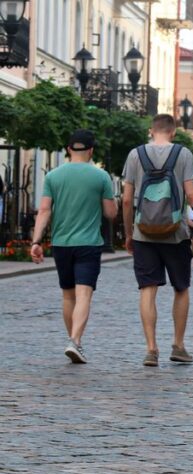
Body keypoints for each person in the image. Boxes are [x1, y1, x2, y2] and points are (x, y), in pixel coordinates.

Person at [121, 114, 193, 367]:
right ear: (174, 132)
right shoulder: (183, 154)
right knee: (181, 288)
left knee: (147, 289)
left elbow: (125, 199)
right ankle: (178, 345)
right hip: (175, 233)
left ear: (150, 131)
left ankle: (151, 349)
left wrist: (128, 233)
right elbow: (191, 195)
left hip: (143, 232)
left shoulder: (135, 155)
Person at [29, 129, 117, 363]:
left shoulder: (53, 176)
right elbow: (110, 213)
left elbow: (45, 210)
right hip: (88, 243)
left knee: (68, 296)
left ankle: (74, 341)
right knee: (84, 293)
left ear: (68, 149)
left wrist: (36, 241)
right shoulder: (101, 177)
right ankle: (75, 342)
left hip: (61, 243)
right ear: (91, 151)